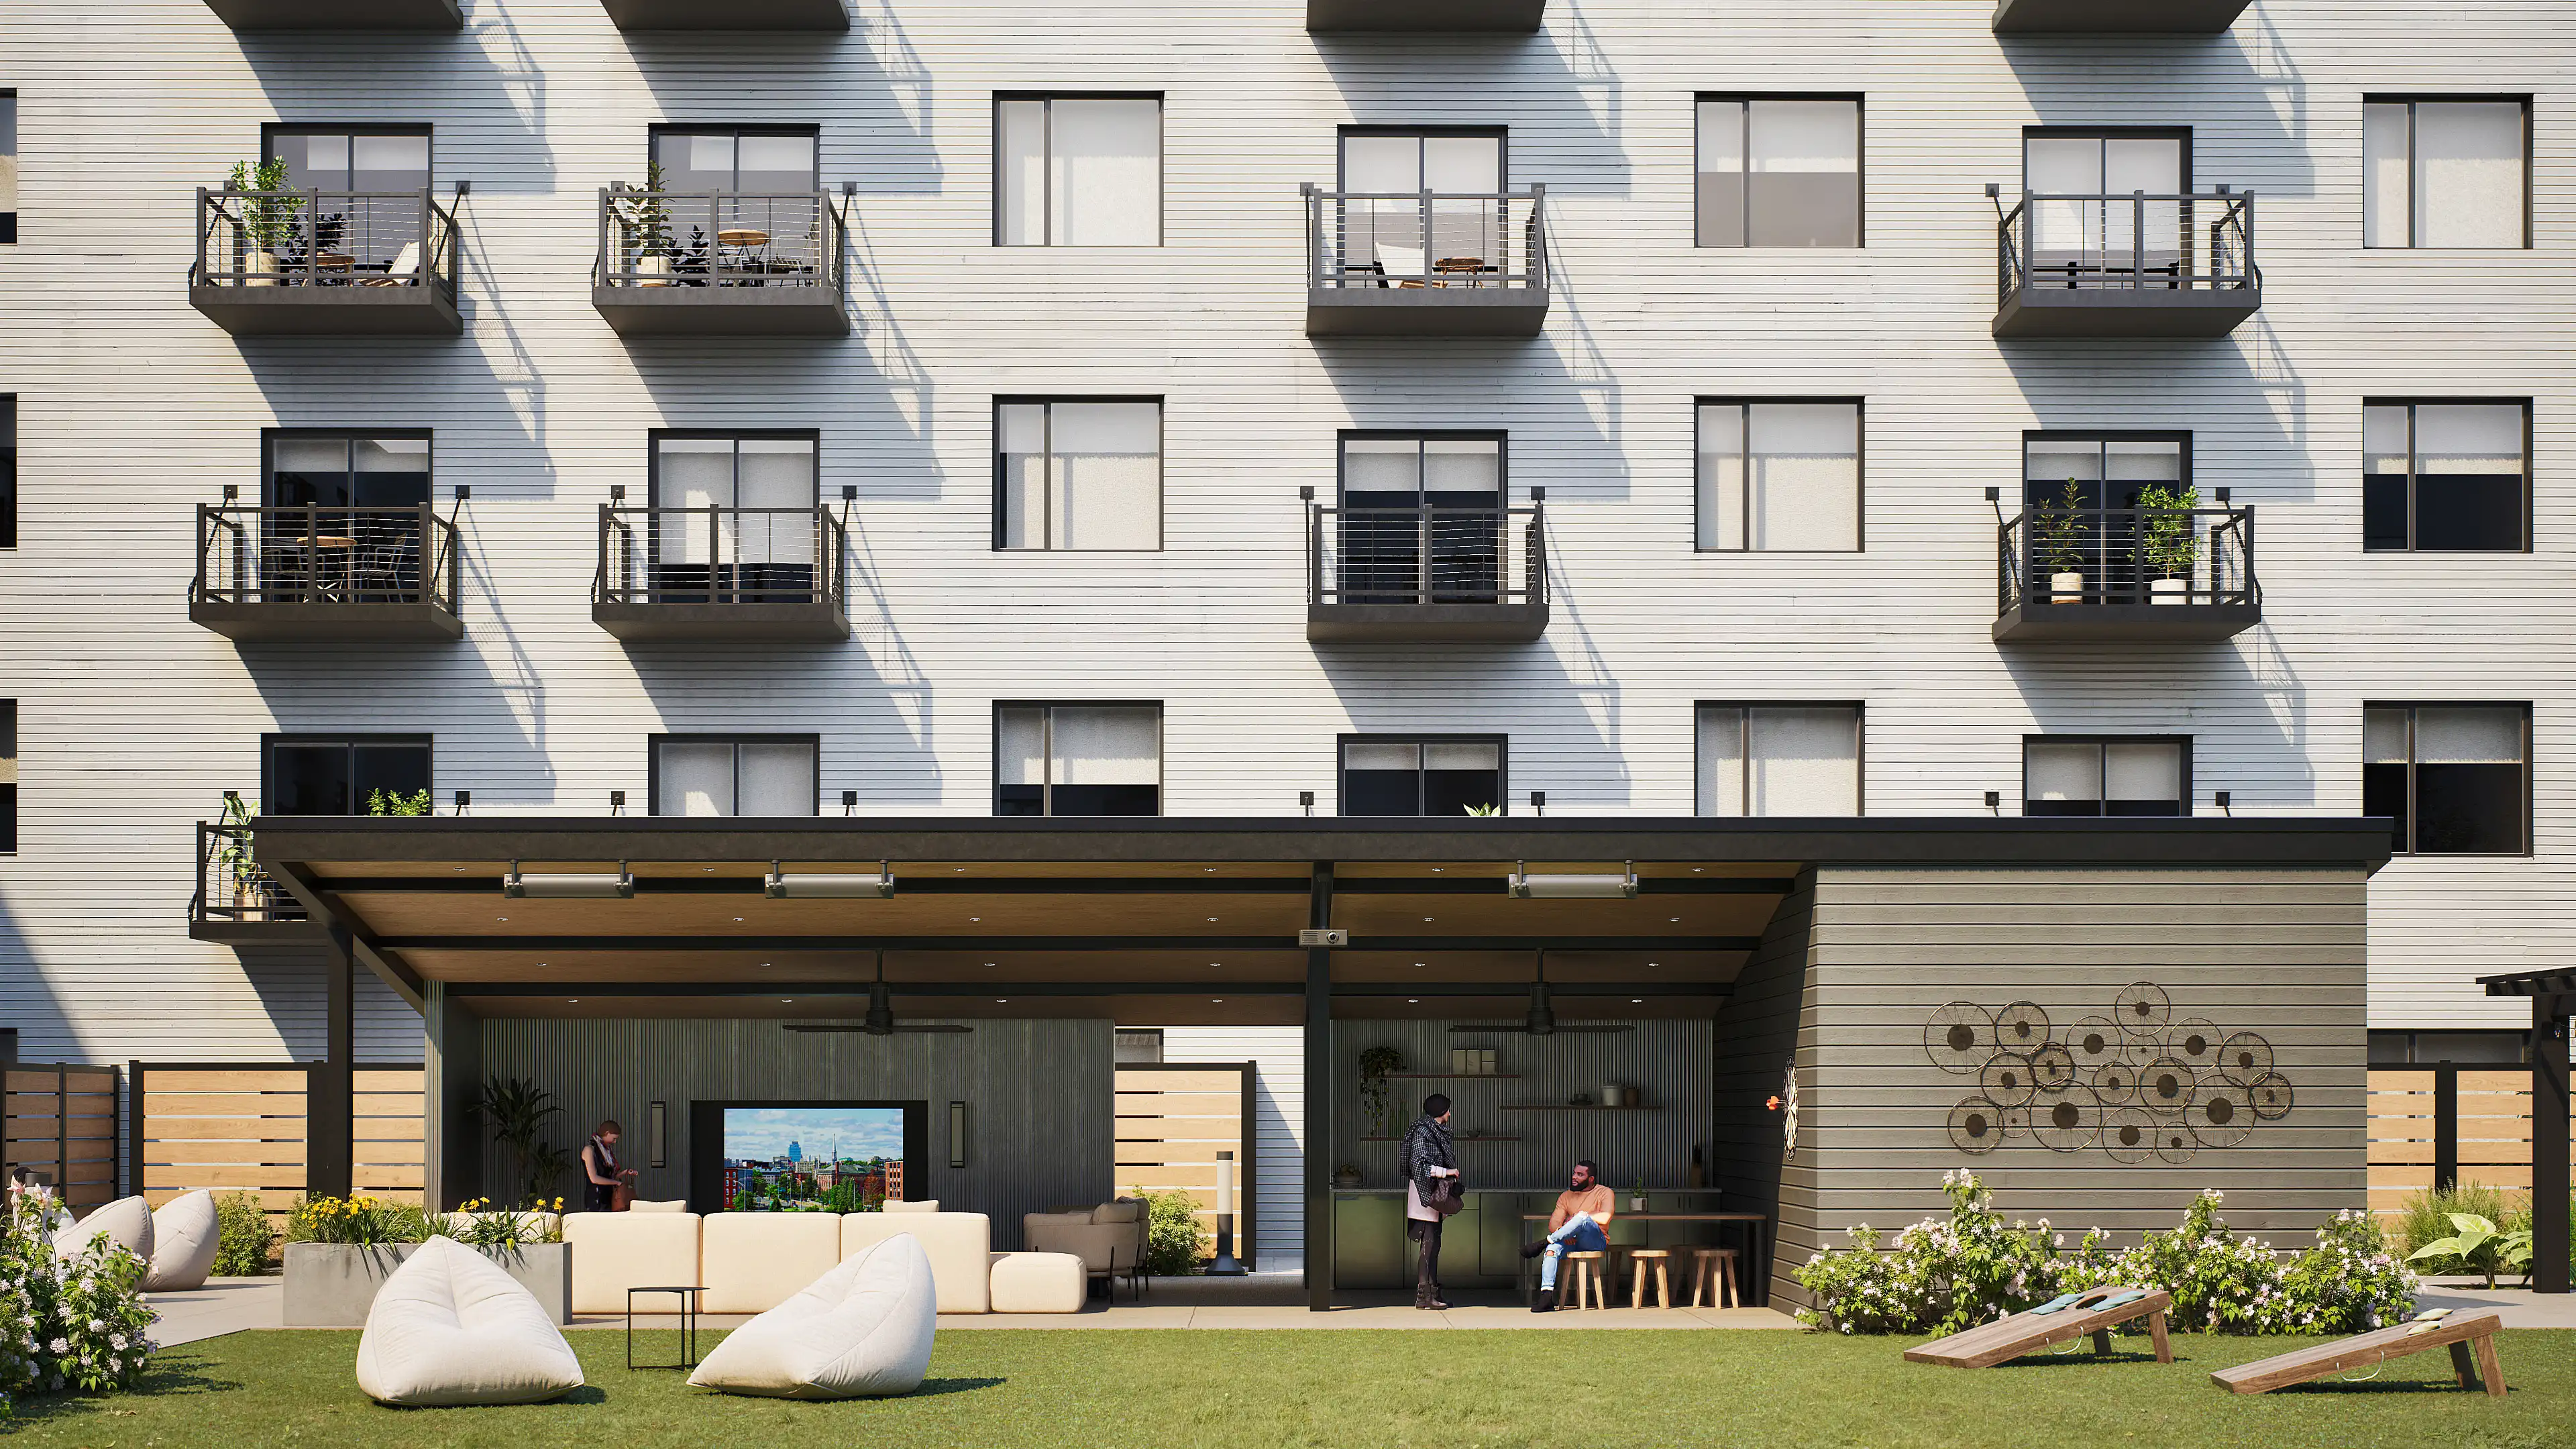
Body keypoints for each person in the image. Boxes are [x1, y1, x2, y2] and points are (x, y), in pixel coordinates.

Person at [1521, 1158, 1615, 1311]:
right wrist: (1566, 1231)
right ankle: (1546, 1297)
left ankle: (1545, 1241)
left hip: (1595, 1241)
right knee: (1552, 1250)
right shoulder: (1566, 1196)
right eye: (1574, 1173)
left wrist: (1577, 1220)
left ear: (1591, 1179)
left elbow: (1605, 1217)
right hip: (1570, 1241)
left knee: (1582, 1216)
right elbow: (1554, 1224)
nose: (1574, 1177)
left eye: (1580, 1174)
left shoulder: (1605, 1192)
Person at [1397, 1093, 1460, 1309]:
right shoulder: (1423, 1132)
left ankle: (1433, 1293)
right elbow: (1419, 1164)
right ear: (1440, 1112)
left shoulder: (1434, 1131)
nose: (1450, 1114)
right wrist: (1447, 1172)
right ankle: (1424, 1296)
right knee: (1429, 1244)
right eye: (1447, 1110)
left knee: (1435, 1244)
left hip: (1434, 1194)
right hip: (1425, 1195)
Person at [581, 1120, 637, 1212]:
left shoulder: (606, 1151)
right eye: (614, 1138)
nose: (615, 1142)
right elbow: (594, 1178)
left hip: (609, 1197)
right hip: (597, 1199)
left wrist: (625, 1172)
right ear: (607, 1133)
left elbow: (609, 1177)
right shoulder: (589, 1150)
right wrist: (617, 1183)